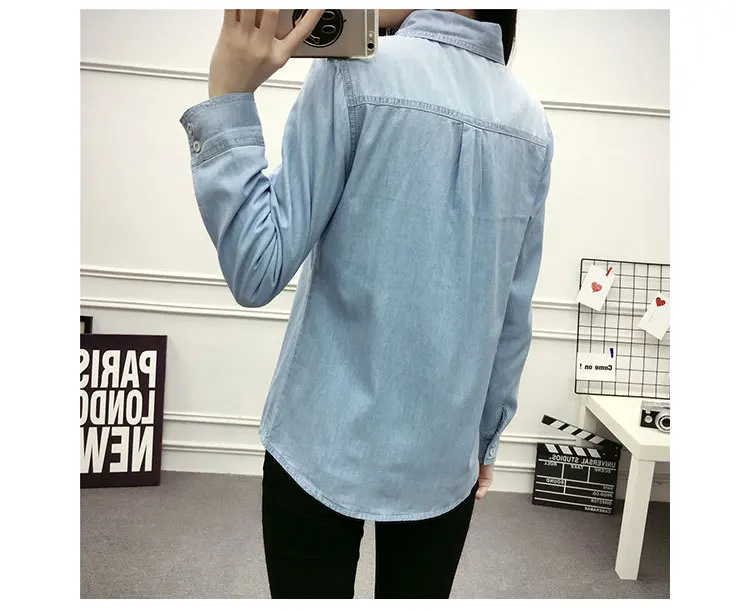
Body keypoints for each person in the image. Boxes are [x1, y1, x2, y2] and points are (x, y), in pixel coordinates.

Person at [179, 8, 553, 599]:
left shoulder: (352, 74)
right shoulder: (531, 123)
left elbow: (256, 269)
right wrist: (485, 439)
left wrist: (228, 95)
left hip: (319, 441)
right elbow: (512, 315)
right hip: (444, 456)